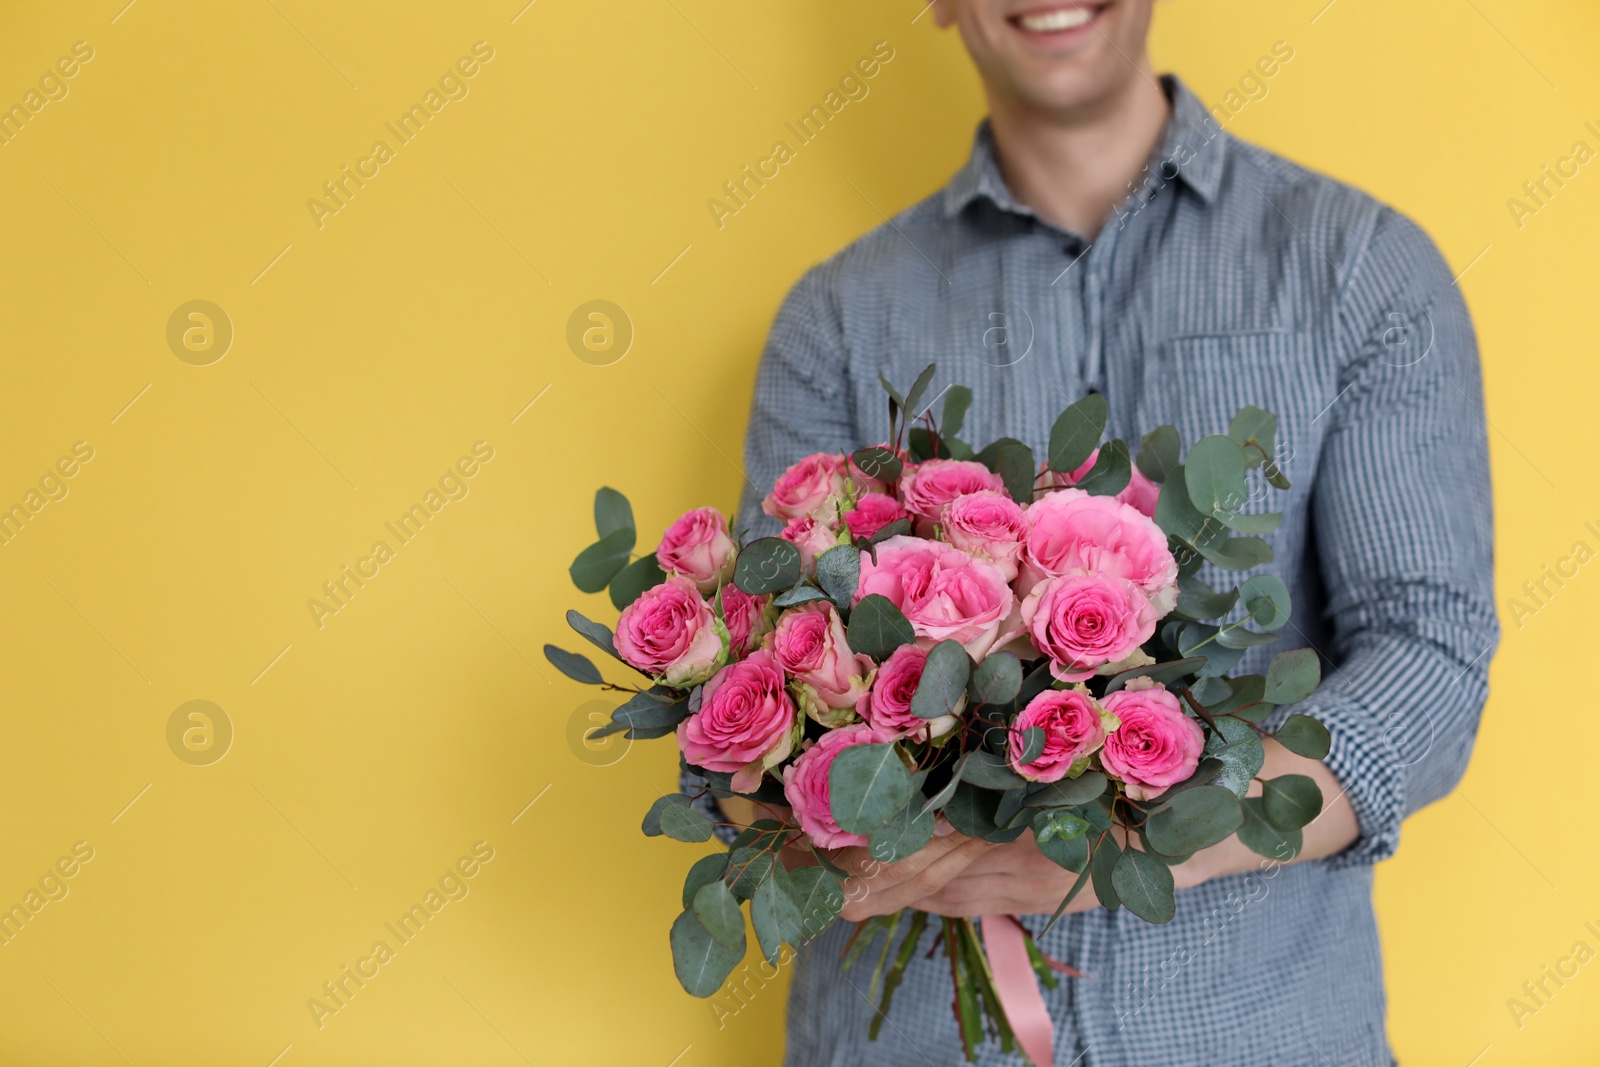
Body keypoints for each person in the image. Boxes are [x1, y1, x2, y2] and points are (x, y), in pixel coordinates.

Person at [714, 1, 1499, 1062]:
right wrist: (840, 814)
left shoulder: (1358, 271)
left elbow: (1428, 657)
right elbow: (758, 708)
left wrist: (1135, 839)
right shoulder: (837, 321)